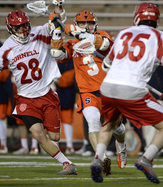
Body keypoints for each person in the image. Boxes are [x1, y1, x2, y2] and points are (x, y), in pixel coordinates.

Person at [0, 0, 78, 175]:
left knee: (54, 137)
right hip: (26, 98)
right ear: (10, 29)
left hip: (46, 94)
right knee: (38, 134)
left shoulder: (39, 32)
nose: (23, 30)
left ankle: (64, 158)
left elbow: (57, 20)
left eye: (24, 25)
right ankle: (68, 164)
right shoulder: (6, 48)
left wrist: (58, 0)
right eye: (18, 27)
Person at [89, 2, 163, 184]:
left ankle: (98, 159)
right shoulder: (160, 36)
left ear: (137, 17)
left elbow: (107, 65)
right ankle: (146, 159)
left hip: (108, 87)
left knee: (109, 123)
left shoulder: (124, 32)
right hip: (133, 89)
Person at [50, 10, 127, 176]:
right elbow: (57, 53)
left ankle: (121, 145)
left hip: (108, 91)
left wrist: (81, 34)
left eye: (90, 23)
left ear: (95, 24)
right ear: (77, 24)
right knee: (92, 122)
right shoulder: (73, 43)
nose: (87, 26)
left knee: (117, 128)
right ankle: (101, 157)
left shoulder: (101, 35)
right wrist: (57, 30)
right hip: (87, 92)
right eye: (83, 23)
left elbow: (105, 44)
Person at [54, 60, 76, 155]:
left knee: (67, 120)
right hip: (54, 93)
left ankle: (69, 146)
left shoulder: (70, 60)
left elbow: (70, 77)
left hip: (67, 94)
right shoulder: (52, 58)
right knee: (54, 120)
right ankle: (54, 146)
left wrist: (57, 80)